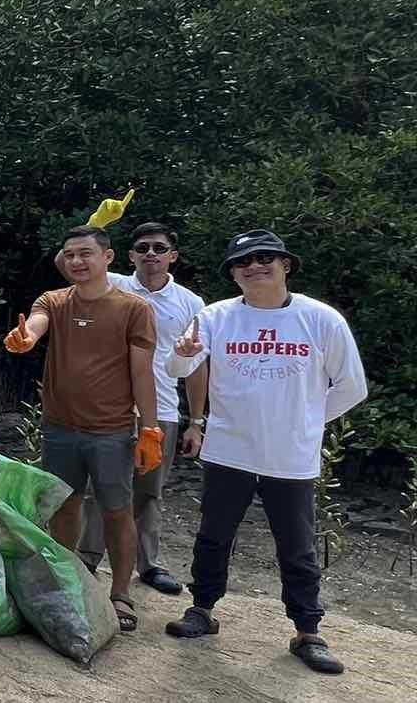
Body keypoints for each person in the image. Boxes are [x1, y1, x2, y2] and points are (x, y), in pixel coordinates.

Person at [164, 230, 367, 675]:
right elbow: (178, 368)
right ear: (233, 273)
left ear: (285, 265)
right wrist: (182, 356)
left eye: (264, 258)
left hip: (290, 457)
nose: (254, 267)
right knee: (214, 535)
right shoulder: (216, 316)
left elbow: (352, 387)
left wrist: (308, 421)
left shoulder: (321, 319)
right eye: (243, 262)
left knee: (296, 546)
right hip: (228, 450)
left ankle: (308, 630)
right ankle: (202, 609)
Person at [3, 225, 159, 632]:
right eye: (70, 254)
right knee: (65, 507)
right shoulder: (54, 302)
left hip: (112, 430)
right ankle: (65, 581)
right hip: (60, 427)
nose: (77, 261)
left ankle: (120, 593)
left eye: (86, 253)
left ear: (107, 258)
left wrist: (151, 429)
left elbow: (142, 374)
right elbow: (35, 324)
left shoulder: (134, 309)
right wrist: (25, 338)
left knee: (117, 511)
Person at [78, 222, 208, 594]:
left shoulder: (190, 303)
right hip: (109, 409)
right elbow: (67, 261)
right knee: (97, 487)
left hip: (163, 409)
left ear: (173, 255)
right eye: (143, 247)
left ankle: (148, 564)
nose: (151, 254)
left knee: (149, 492)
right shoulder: (113, 285)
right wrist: (97, 225)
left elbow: (198, 366)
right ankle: (88, 556)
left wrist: (196, 421)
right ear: (130, 255)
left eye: (159, 247)